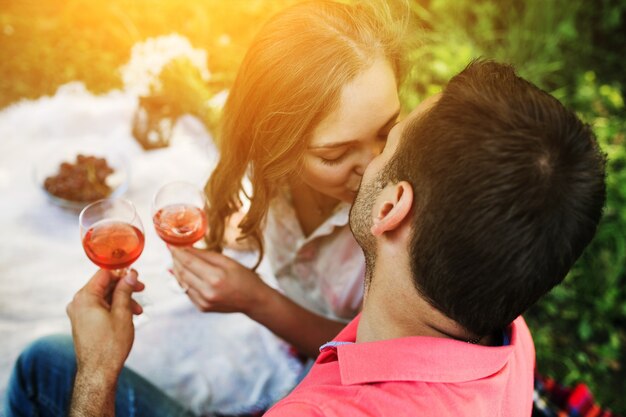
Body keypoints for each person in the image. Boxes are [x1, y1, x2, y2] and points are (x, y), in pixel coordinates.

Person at [6, 60, 607, 416]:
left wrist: (98, 374)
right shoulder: (508, 333)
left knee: (47, 365)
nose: (362, 165)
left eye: (387, 147)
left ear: (393, 207)